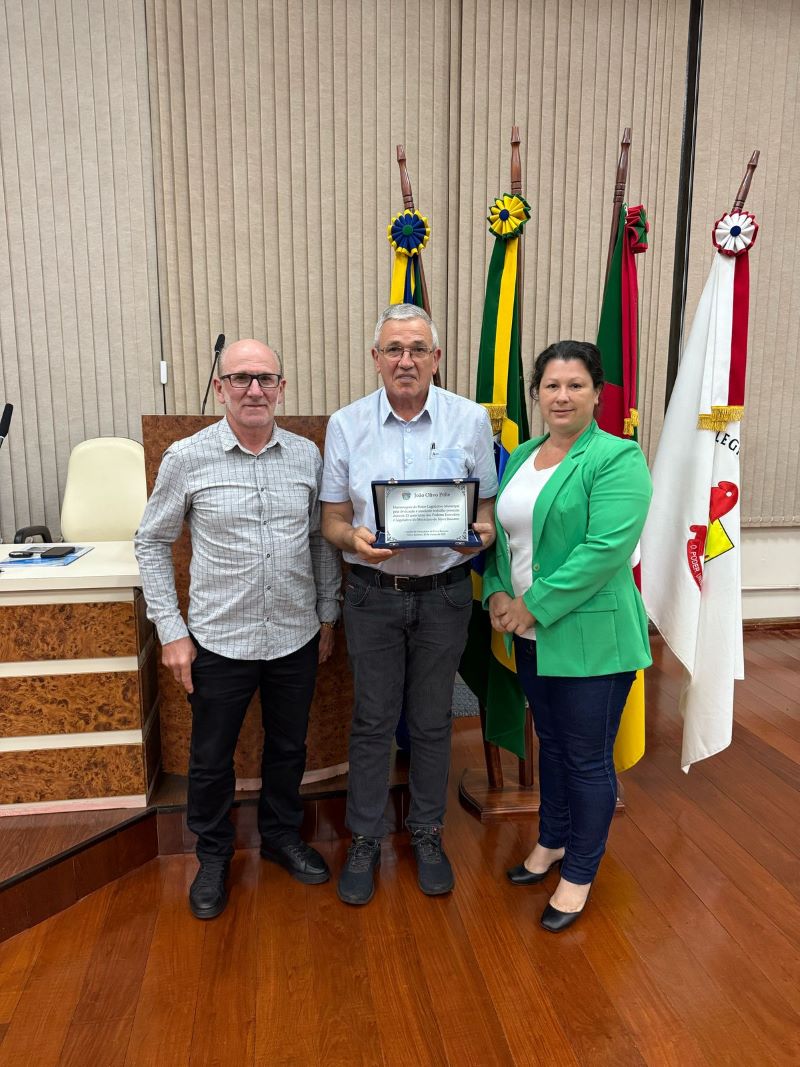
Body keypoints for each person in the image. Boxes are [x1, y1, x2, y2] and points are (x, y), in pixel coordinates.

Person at [135, 338, 340, 920]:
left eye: (265, 379)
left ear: (282, 388)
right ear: (220, 388)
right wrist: (171, 631)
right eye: (240, 378)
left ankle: (280, 837)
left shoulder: (306, 456)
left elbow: (320, 542)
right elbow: (151, 542)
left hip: (295, 635)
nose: (254, 390)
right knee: (210, 758)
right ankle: (213, 856)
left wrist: (327, 613)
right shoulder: (186, 457)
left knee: (288, 748)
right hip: (218, 641)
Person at [321, 304, 497, 906]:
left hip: (445, 594)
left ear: (436, 358)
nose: (406, 360)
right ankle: (365, 838)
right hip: (373, 595)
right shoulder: (346, 425)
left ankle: (426, 831)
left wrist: (477, 537)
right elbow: (332, 519)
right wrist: (353, 541)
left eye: (418, 349)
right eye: (394, 349)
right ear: (376, 359)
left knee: (431, 720)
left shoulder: (470, 420)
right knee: (372, 720)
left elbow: (485, 513)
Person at [483, 339, 652, 932]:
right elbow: (504, 538)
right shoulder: (523, 454)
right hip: (532, 637)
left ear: (597, 393)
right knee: (550, 745)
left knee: (585, 758)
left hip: (592, 641)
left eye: (575, 385)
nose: (562, 396)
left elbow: (604, 551)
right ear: (536, 394)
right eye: (551, 385)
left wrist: (531, 607)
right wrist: (496, 592)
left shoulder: (617, 458)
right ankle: (551, 841)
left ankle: (580, 872)